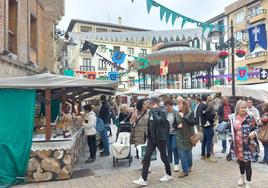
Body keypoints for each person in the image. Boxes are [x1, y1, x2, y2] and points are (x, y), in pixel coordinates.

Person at [133, 97, 172, 186]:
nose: (148, 105)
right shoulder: (150, 111)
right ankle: (143, 178)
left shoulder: (162, 110)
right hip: (151, 138)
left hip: (160, 138)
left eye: (149, 103)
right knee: (146, 157)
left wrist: (154, 111)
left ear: (155, 103)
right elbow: (150, 123)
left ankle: (169, 174)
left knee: (163, 156)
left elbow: (159, 120)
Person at [228, 100, 259, 188]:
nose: (244, 109)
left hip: (248, 145)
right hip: (237, 145)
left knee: (247, 164)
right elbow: (230, 130)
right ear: (237, 108)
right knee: (241, 162)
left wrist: (254, 133)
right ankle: (241, 177)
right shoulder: (233, 118)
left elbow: (257, 128)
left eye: (245, 108)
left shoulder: (250, 117)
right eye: (242, 107)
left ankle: (248, 182)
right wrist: (231, 138)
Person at [175, 100, 195, 178]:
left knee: (188, 151)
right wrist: (177, 125)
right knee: (182, 152)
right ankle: (186, 170)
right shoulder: (177, 113)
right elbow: (174, 123)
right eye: (178, 104)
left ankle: (188, 167)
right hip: (179, 136)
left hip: (188, 135)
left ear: (184, 105)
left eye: (180, 104)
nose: (178, 105)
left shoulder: (190, 113)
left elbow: (192, 122)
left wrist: (183, 117)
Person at [164, 99, 181, 172]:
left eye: (168, 106)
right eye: (166, 106)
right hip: (167, 133)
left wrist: (179, 125)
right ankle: (170, 162)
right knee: (169, 148)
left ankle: (176, 164)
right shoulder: (165, 113)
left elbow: (179, 121)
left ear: (171, 106)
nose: (167, 107)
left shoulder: (175, 112)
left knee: (174, 147)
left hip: (175, 132)